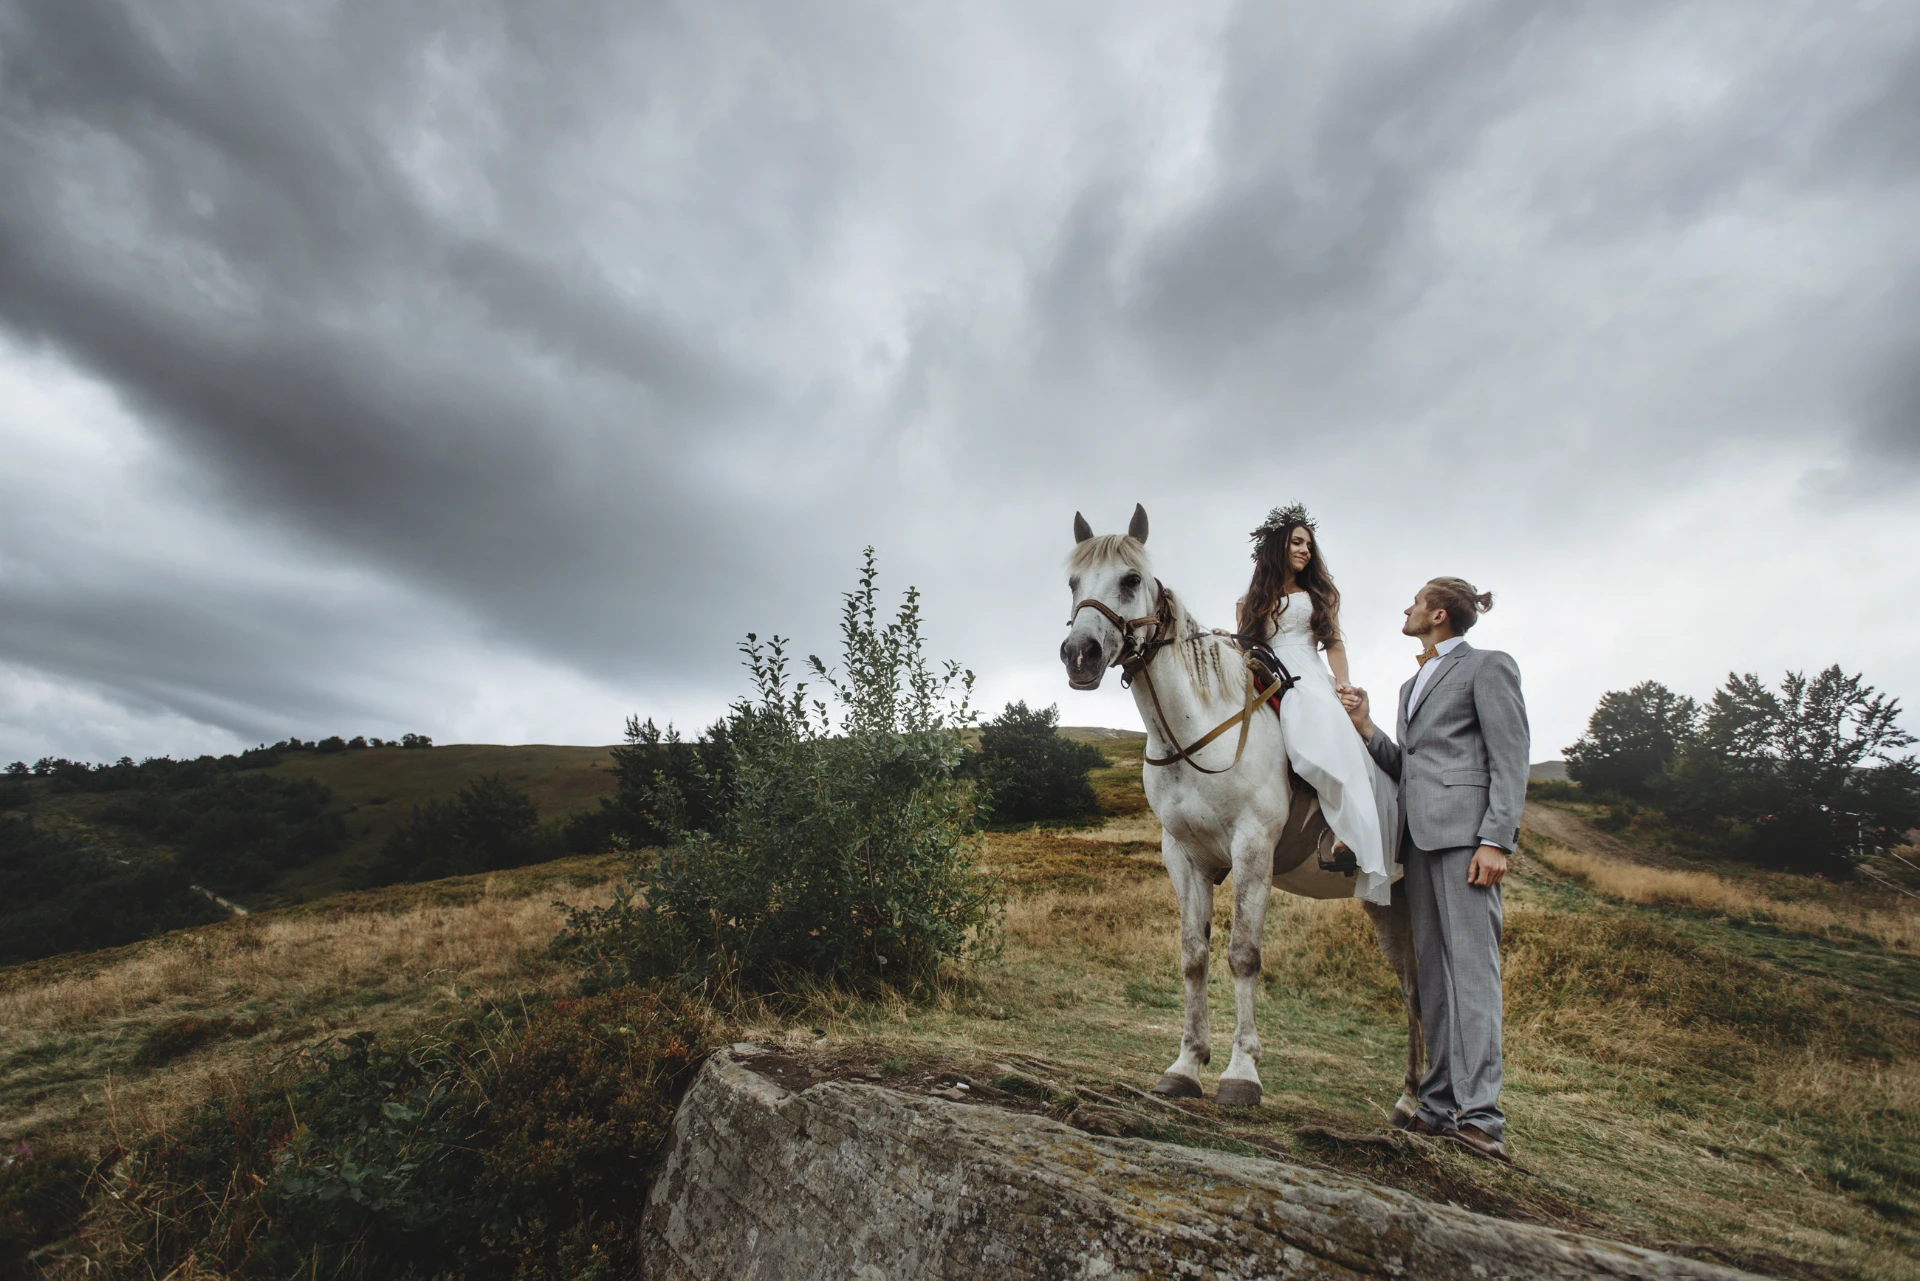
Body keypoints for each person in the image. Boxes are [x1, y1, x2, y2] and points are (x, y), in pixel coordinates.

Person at [1338, 578, 1528, 1162]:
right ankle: (1439, 1105)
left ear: (1439, 614)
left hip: (1469, 840)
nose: (1407, 608)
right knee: (1436, 977)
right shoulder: (1408, 684)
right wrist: (1369, 728)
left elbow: (1511, 756)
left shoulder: (1488, 667)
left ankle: (1482, 1118)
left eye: (1416, 602)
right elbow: (1409, 766)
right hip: (1418, 843)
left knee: (1473, 973)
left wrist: (1496, 840)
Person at [1237, 504, 1400, 907]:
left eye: (1308, 544)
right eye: (1296, 542)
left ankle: (1347, 830)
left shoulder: (1316, 596)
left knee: (1318, 717)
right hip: (1266, 675)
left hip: (1306, 674)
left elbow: (1334, 644)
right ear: (1277, 546)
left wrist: (1342, 686)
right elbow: (1246, 648)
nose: (1305, 550)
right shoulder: (1248, 602)